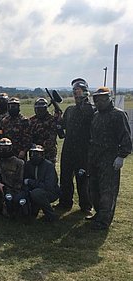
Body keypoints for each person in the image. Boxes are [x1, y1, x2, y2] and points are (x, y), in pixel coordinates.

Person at [88, 87, 132, 230]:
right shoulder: (96, 115)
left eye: (102, 99)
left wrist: (121, 156)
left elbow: (126, 138)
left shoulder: (118, 115)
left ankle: (104, 221)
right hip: (95, 158)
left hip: (109, 160)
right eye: (96, 99)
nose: (99, 102)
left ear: (108, 99)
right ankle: (98, 213)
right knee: (94, 189)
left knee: (108, 191)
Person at [55, 78, 95, 213]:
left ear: (85, 92)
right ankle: (65, 202)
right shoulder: (70, 110)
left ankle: (86, 205)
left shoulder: (92, 110)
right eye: (74, 92)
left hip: (83, 150)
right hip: (68, 149)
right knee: (65, 178)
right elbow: (62, 133)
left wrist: (83, 103)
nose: (76, 94)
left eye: (78, 91)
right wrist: (58, 122)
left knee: (83, 179)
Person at [23, 145, 60, 222]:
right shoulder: (28, 164)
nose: (35, 156)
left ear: (42, 155)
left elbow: (48, 186)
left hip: (51, 192)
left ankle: (51, 215)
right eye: (33, 154)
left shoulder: (48, 166)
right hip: (33, 190)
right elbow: (24, 180)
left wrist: (30, 182)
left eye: (38, 154)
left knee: (36, 193)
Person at [28, 98, 60, 163]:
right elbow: (28, 135)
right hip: (34, 152)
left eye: (41, 109)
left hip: (49, 153)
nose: (39, 111)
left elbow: (52, 137)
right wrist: (33, 145)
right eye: (38, 109)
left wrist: (41, 147)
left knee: (49, 170)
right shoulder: (31, 120)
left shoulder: (52, 120)